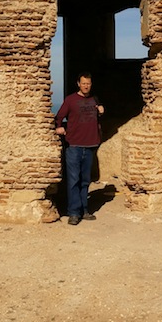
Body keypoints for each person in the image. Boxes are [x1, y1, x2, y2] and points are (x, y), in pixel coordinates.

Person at [55, 72, 104, 225]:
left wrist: (101, 112)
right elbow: (59, 116)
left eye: (88, 83)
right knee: (74, 180)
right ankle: (74, 212)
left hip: (90, 145)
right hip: (74, 145)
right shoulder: (71, 100)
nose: (86, 86)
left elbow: (96, 118)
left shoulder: (94, 99)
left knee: (85, 181)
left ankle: (84, 209)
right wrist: (58, 127)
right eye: (83, 83)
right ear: (78, 84)